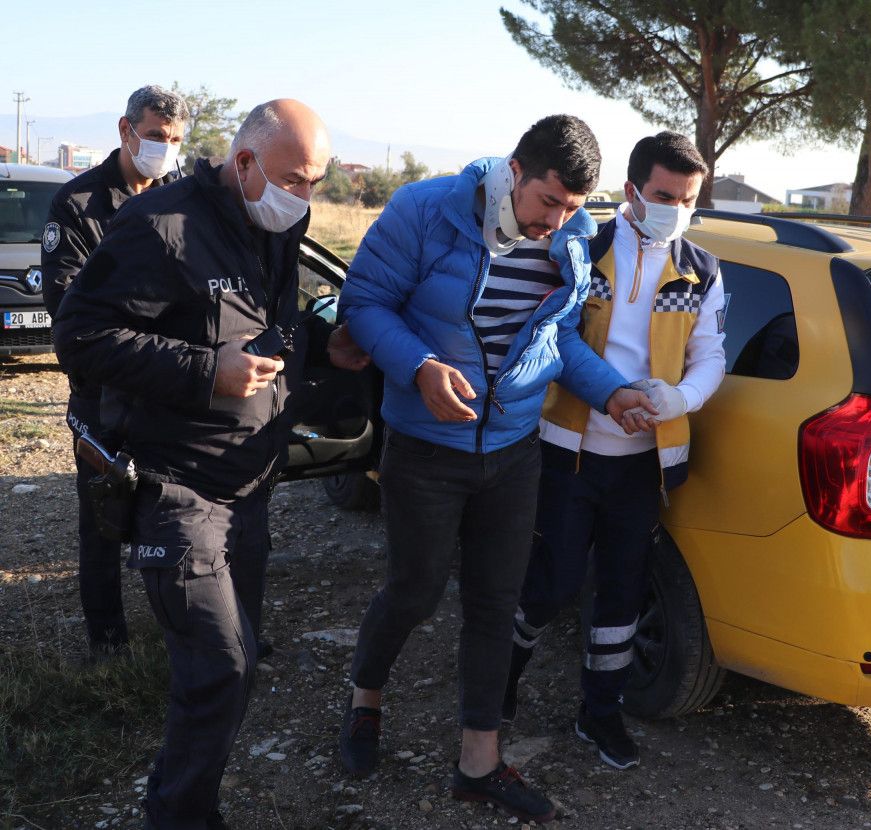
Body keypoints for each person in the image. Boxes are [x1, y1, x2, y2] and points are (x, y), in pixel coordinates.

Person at [53, 99, 368, 830]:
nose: (306, 195)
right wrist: (205, 372)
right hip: (177, 488)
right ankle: (179, 815)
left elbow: (269, 328)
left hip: (250, 484)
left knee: (236, 666)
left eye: (317, 180)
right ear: (246, 163)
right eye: (296, 178)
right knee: (220, 668)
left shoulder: (277, 223)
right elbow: (80, 337)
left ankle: (191, 801)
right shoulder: (160, 228)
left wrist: (323, 348)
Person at [336, 114, 653, 824]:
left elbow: (558, 335)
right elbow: (364, 303)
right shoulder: (425, 209)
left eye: (574, 208)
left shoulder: (569, 234)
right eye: (549, 202)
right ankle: (365, 699)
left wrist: (612, 392)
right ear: (515, 172)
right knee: (414, 591)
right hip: (424, 448)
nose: (559, 221)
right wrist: (418, 368)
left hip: (512, 451)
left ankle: (477, 762)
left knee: (492, 600)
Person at [504, 131, 725, 770]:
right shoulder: (582, 244)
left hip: (642, 461)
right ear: (631, 191)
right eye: (664, 195)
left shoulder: (702, 269)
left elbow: (710, 357)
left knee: (623, 593)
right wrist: (613, 395)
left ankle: (599, 713)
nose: (677, 209)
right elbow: (554, 335)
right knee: (551, 583)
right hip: (568, 450)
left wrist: (677, 399)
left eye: (688, 199)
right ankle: (502, 685)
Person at [42, 84, 189, 658]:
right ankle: (108, 647)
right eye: (156, 136)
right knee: (104, 521)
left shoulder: (185, 198)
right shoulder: (78, 205)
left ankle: (188, 629)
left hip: (171, 392)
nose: (165, 148)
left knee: (178, 517)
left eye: (175, 139)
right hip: (102, 397)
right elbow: (69, 308)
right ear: (125, 131)